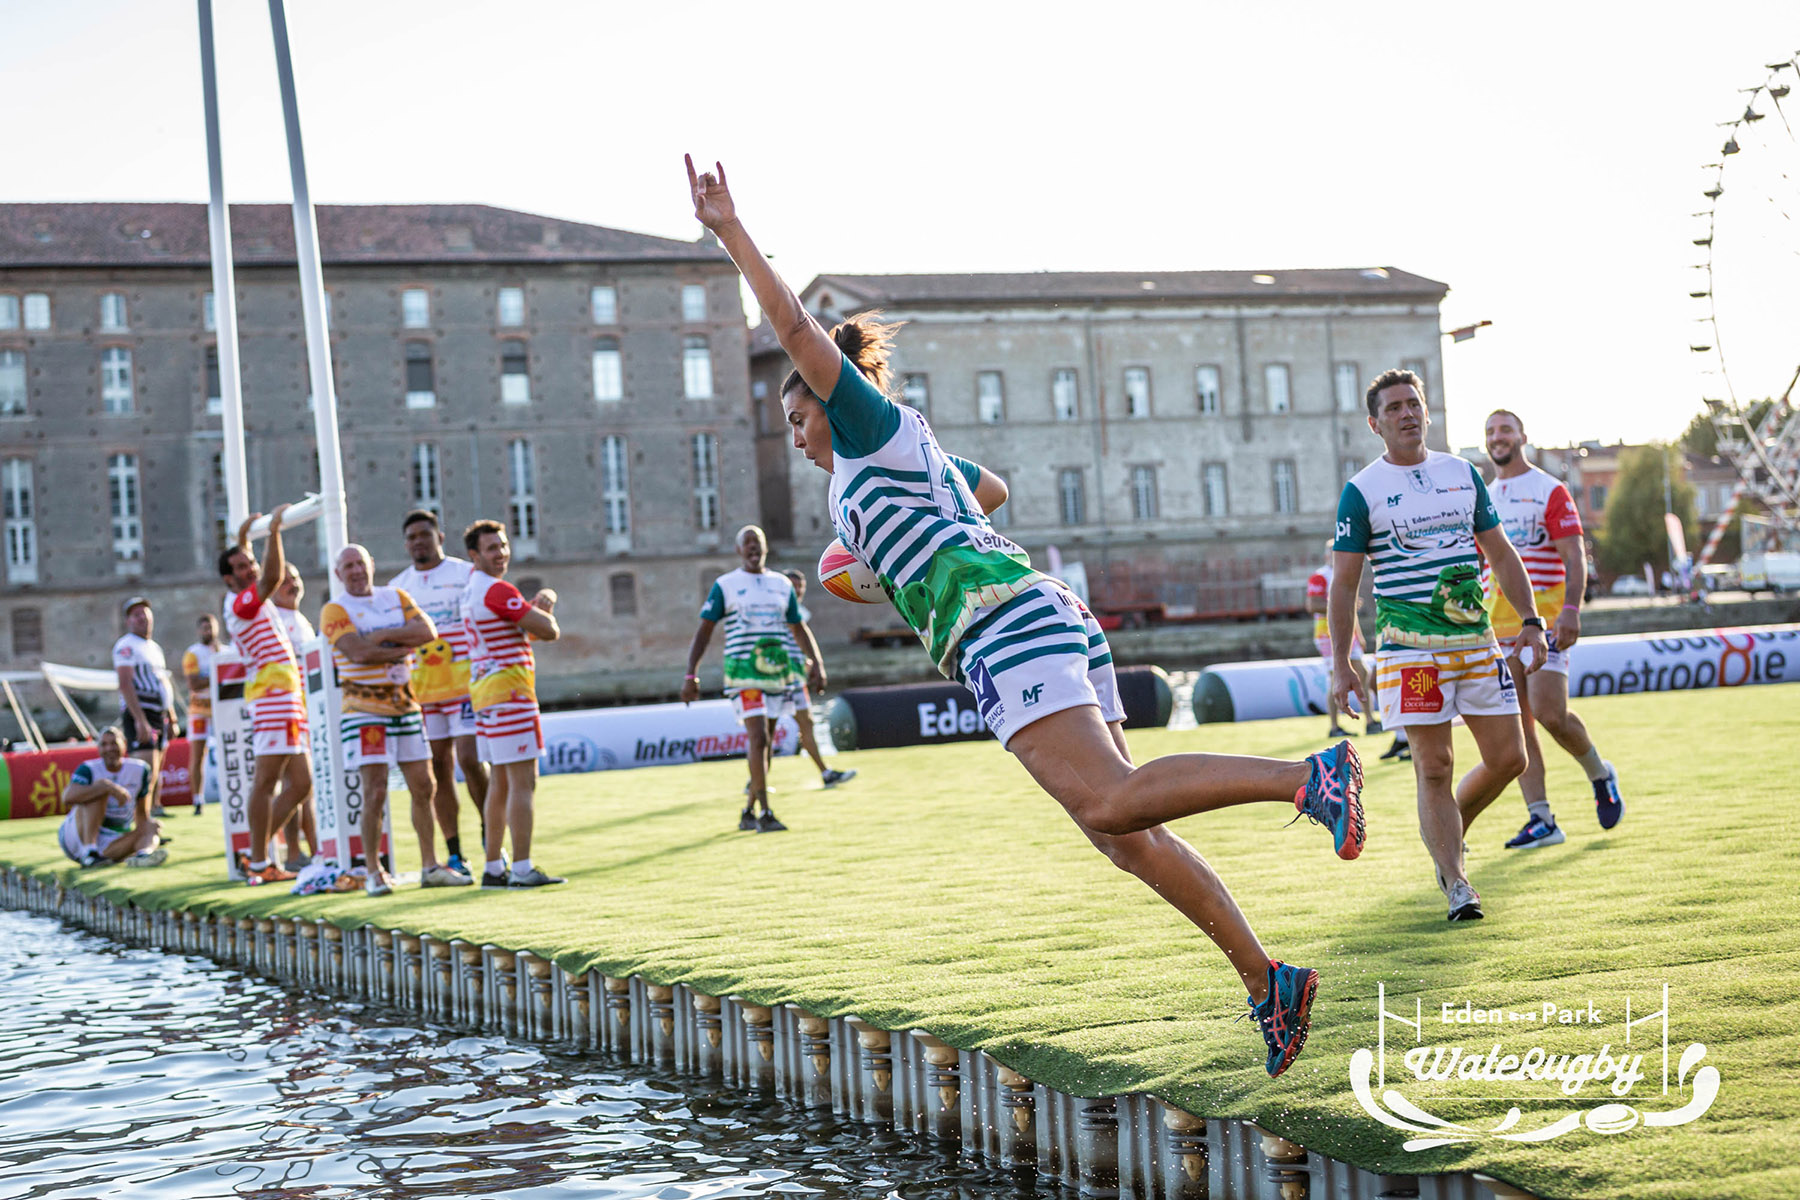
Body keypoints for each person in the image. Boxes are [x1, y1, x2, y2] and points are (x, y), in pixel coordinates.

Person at [687, 156, 1363, 1078]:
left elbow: (798, 327)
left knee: (1109, 801)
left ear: (828, 396)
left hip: (1004, 626)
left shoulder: (863, 424)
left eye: (794, 413)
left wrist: (730, 232)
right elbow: (991, 489)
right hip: (1037, 612)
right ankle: (1268, 982)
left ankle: (1310, 779)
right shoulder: (895, 446)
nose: (792, 430)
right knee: (1126, 839)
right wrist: (907, 549)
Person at [1329, 370, 1546, 923]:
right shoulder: (1361, 491)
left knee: (1510, 758)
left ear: (1428, 412)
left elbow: (1499, 553)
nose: (1406, 414)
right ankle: (1456, 882)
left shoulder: (1462, 474)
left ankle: (1446, 834)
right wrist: (1342, 664)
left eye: (1414, 404)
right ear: (1375, 424)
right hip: (1409, 650)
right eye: (1394, 408)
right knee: (1435, 767)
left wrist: (1531, 620)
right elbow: (1345, 585)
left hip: (1475, 642)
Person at [1481, 410, 1625, 848]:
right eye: (1489, 431)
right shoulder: (1483, 495)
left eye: (1505, 429)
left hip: (1542, 623)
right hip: (1495, 626)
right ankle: (1541, 818)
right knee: (1517, 724)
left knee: (1549, 713)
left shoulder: (1549, 489)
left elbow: (1575, 554)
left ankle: (1600, 773)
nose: (1497, 437)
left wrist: (1571, 609)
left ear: (1523, 436)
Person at [320, 544, 469, 895]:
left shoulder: (395, 596)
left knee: (425, 786)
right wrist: (399, 645)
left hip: (406, 706)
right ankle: (373, 871)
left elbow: (428, 634)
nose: (356, 571)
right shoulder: (335, 609)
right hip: (364, 711)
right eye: (348, 566)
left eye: (360, 563)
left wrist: (384, 637)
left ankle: (430, 865)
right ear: (339, 574)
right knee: (375, 791)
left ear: (371, 565)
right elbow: (356, 652)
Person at [682, 526, 826, 832]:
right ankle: (766, 813)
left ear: (765, 549)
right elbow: (704, 631)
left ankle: (748, 811)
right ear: (738, 551)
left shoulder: (781, 584)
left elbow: (798, 628)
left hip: (777, 674)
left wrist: (818, 664)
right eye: (746, 543)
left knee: (766, 744)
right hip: (743, 674)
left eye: (757, 542)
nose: (752, 547)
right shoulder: (726, 585)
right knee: (758, 737)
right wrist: (691, 673)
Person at [461, 519, 563, 888]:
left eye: (503, 545)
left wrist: (530, 614)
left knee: (500, 782)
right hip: (511, 695)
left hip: (486, 695)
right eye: (492, 548)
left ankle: (493, 867)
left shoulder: (472, 589)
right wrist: (545, 607)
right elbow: (549, 630)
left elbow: (511, 632)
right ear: (474, 555)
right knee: (523, 781)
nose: (501, 553)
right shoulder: (497, 590)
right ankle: (521, 867)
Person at [218, 505, 313, 885]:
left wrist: (244, 541)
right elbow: (271, 576)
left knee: (301, 784)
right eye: (240, 568)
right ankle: (258, 859)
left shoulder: (246, 600)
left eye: (250, 563)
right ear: (228, 579)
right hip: (273, 698)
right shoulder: (240, 604)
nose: (250, 569)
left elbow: (261, 574)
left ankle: (255, 855)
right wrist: (274, 530)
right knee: (266, 781)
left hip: (285, 696)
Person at [389, 509, 486, 875]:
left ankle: (490, 833)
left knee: (471, 760)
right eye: (412, 537)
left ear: (439, 538)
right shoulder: (399, 588)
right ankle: (455, 851)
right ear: (406, 544)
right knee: (439, 770)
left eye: (424, 535)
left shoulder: (465, 574)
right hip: (424, 694)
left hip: (464, 687)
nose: (418, 542)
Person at [781, 568, 857, 789]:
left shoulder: (799, 612)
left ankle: (825, 773)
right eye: (793, 587)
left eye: (800, 588)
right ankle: (754, 782)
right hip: (781, 677)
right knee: (774, 729)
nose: (797, 592)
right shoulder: (781, 610)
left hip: (794, 677)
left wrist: (808, 662)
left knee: (806, 724)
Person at [270, 564, 321, 869]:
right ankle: (264, 848)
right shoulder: (277, 618)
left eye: (297, 578)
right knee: (299, 784)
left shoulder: (299, 620)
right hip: (289, 713)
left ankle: (304, 852)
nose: (293, 584)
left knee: (302, 787)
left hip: (305, 713)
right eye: (285, 580)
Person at [58, 726, 165, 868]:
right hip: (79, 835)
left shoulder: (140, 770)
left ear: (124, 745)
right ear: (98, 749)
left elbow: (142, 813)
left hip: (113, 838)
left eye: (114, 743)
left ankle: (143, 855)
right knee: (98, 790)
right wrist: (108, 787)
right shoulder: (89, 769)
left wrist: (148, 834)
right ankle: (89, 852)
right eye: (104, 744)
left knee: (152, 826)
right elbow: (67, 797)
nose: (109, 748)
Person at [113, 597, 177, 818]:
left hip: (158, 712)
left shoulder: (154, 648)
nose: (142, 618)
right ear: (128, 621)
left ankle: (154, 810)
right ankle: (140, 820)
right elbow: (125, 683)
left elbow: (162, 682)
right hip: (141, 710)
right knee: (144, 768)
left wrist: (171, 715)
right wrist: (140, 719)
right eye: (136, 615)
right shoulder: (126, 646)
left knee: (157, 766)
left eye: (145, 613)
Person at [1304, 547, 1374, 740]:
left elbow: (1350, 609)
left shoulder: (1343, 573)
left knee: (1363, 673)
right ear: (1327, 556)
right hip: (1327, 633)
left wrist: (1358, 634)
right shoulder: (1320, 576)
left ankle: (1370, 721)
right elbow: (1312, 605)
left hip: (1349, 631)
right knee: (1337, 677)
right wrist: (1339, 603)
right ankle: (1336, 725)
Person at [182, 614, 221, 817]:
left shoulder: (225, 651)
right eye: (204, 628)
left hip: (222, 709)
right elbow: (193, 683)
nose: (208, 632)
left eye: (211, 628)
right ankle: (198, 799)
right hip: (199, 710)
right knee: (198, 755)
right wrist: (219, 673)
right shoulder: (193, 654)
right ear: (199, 630)